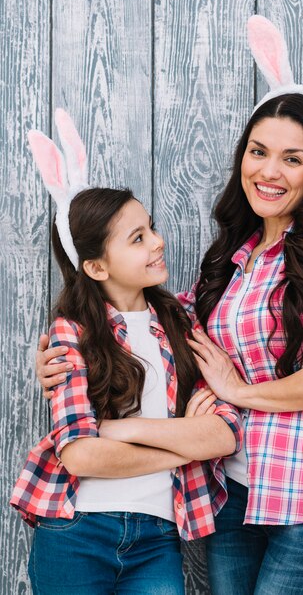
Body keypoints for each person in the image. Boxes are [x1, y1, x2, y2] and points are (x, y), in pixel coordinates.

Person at [36, 16, 303, 594]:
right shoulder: (234, 258)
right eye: (258, 151)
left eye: (292, 159)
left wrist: (237, 394)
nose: (269, 171)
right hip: (235, 495)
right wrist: (52, 354)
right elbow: (142, 320)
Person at [13, 110, 242, 595]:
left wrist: (125, 431)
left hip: (158, 540)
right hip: (78, 532)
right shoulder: (71, 335)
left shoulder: (182, 322)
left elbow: (223, 437)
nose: (158, 243)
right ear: (96, 267)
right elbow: (78, 456)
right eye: (138, 238)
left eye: (151, 228)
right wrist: (180, 443)